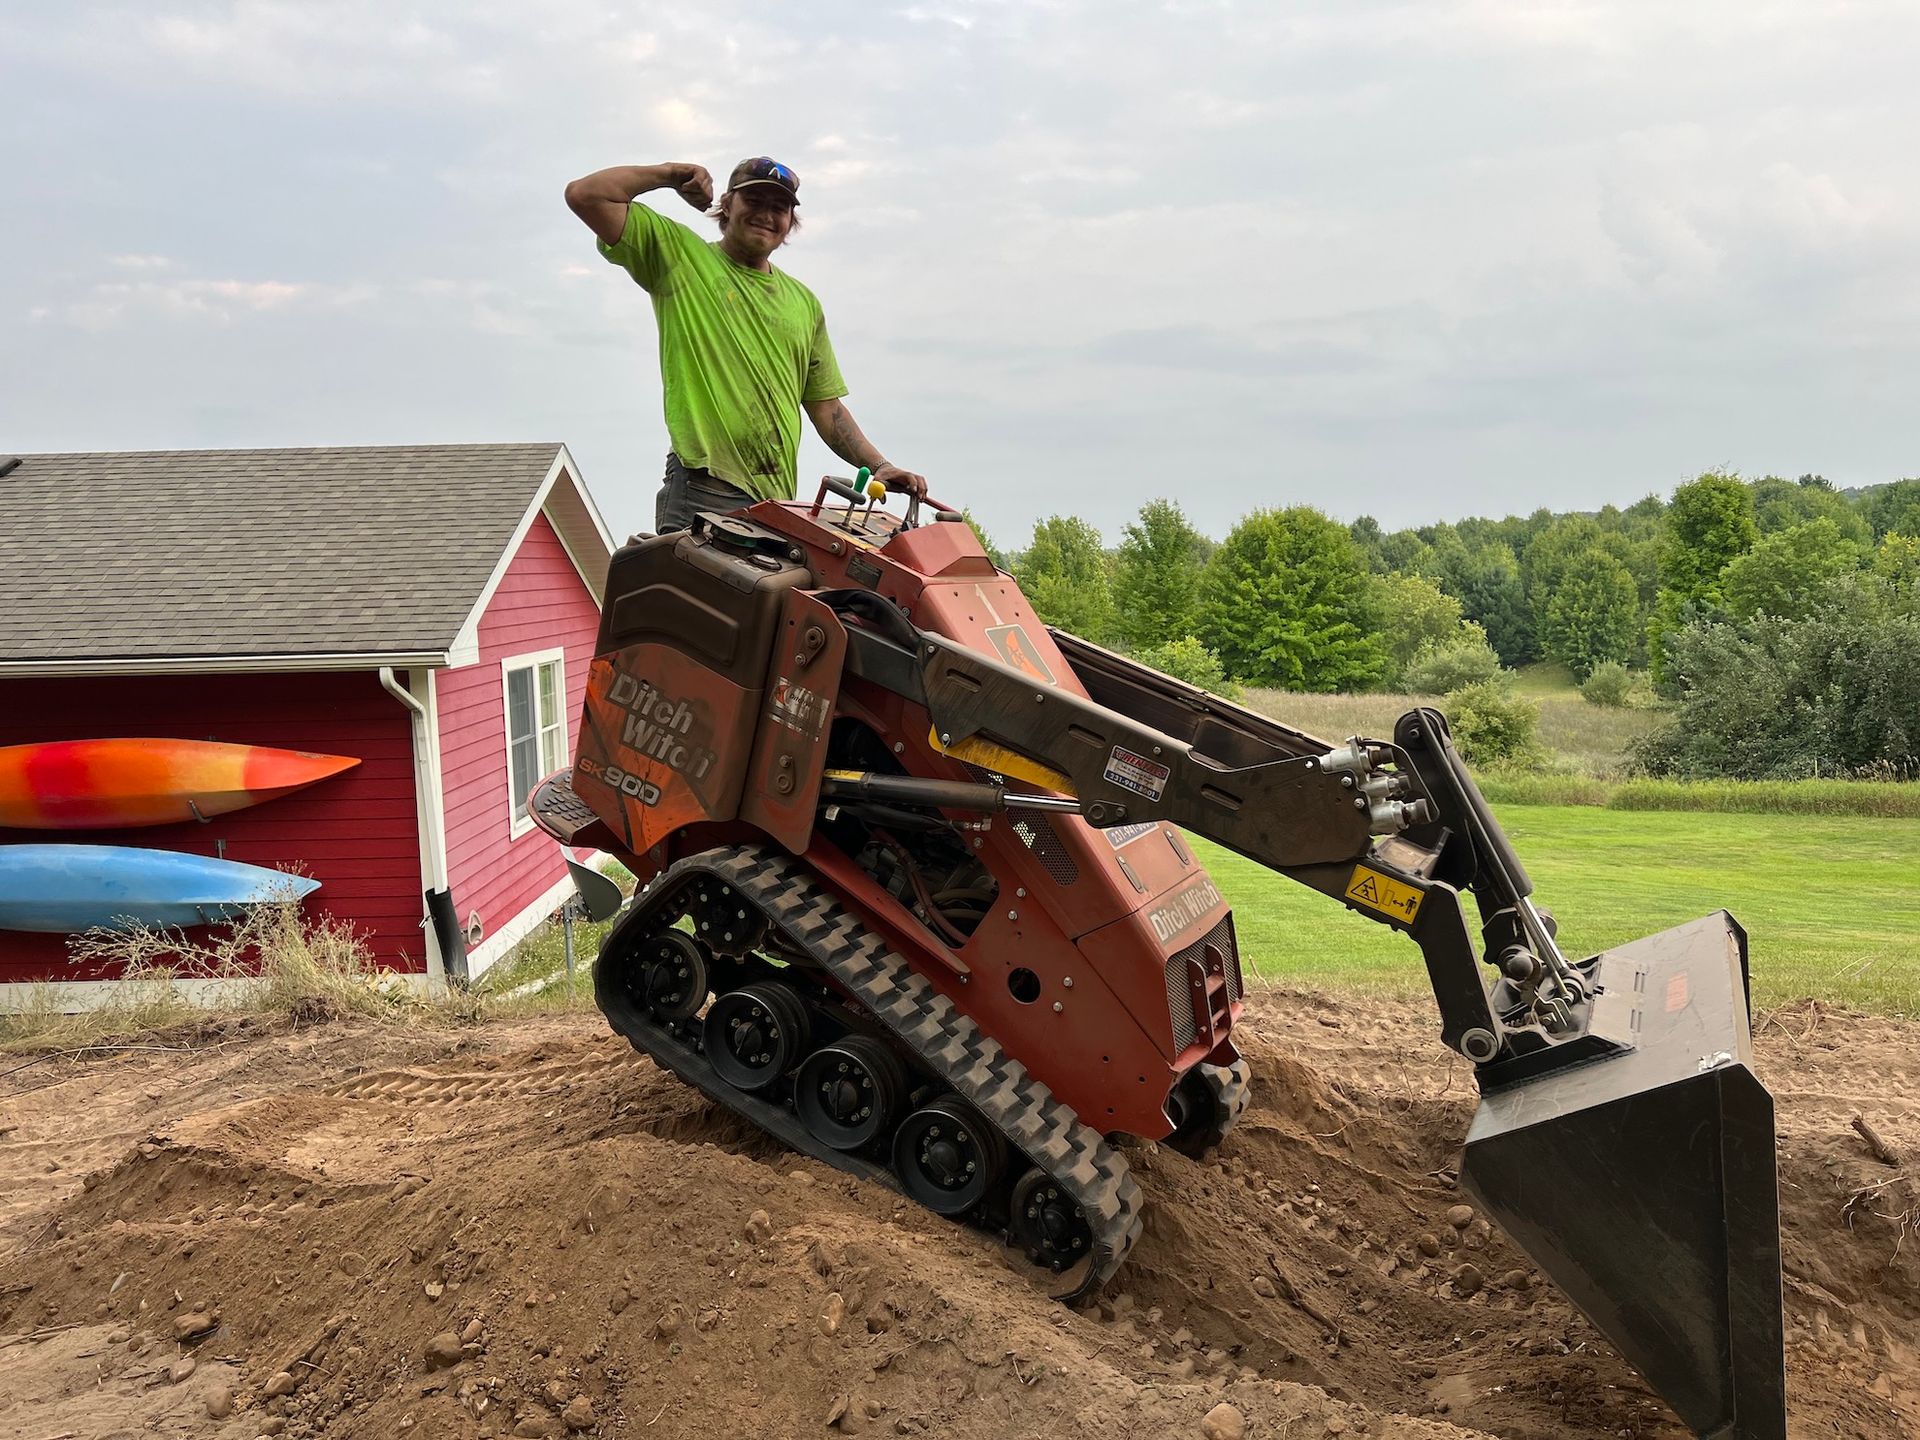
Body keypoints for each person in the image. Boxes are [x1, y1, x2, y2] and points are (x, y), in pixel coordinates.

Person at [564, 155, 927, 533]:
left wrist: (880, 466)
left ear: (790, 222)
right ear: (726, 205)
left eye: (779, 207)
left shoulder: (803, 303)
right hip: (704, 487)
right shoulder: (678, 257)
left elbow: (826, 409)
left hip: (777, 502)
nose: (766, 215)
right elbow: (586, 195)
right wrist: (671, 175)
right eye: (754, 201)